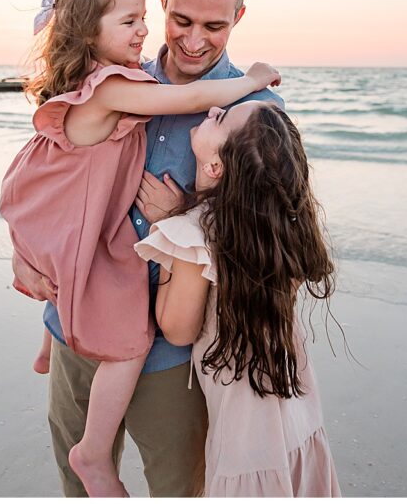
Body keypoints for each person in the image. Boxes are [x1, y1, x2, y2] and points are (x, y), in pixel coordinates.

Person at [0, 0, 280, 496]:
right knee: (79, 483)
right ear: (162, 4)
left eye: (214, 27)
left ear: (238, 17)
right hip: (72, 327)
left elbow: (264, 239)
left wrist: (184, 219)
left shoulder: (254, 112)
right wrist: (25, 253)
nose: (194, 40)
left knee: (175, 488)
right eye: (180, 19)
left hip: (170, 355)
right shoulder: (122, 77)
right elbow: (58, 184)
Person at [135, 100, 340, 496]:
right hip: (295, 410)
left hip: (248, 437)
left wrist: (169, 228)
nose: (213, 110)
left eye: (222, 118)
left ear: (215, 167)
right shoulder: (281, 230)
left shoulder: (198, 233)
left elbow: (177, 330)